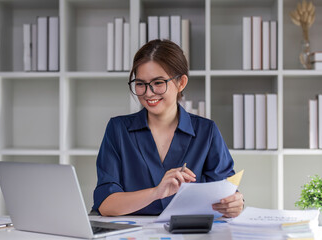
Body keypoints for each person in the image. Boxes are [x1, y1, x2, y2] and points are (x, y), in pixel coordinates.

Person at [92, 39, 244, 217]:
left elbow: (225, 193)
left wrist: (234, 204)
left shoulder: (206, 131)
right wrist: (157, 192)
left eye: (158, 83)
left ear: (181, 83)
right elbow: (106, 204)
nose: (148, 93)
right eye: (140, 84)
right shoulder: (118, 130)